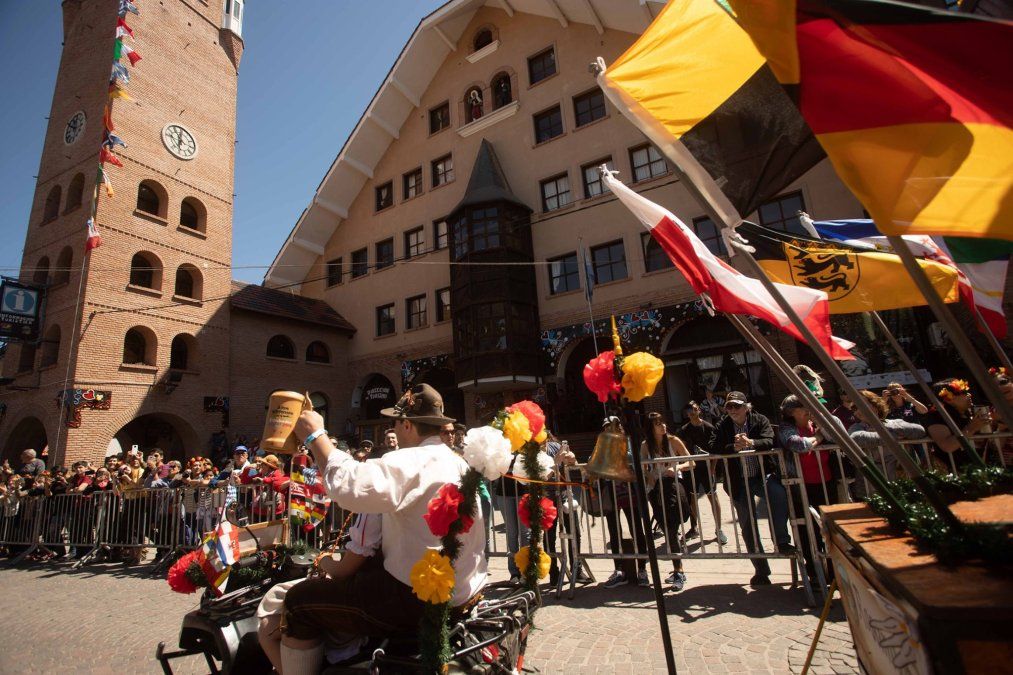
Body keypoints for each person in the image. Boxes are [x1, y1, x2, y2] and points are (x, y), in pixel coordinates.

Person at [279, 384, 486, 674]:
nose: (395, 431)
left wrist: (316, 435)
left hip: (412, 597)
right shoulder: (457, 462)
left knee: (298, 602)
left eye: (395, 423)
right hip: (461, 590)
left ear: (406, 424)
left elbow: (350, 487)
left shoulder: (409, 459)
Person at [258, 513, 383, 671]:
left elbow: (343, 570)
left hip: (376, 602)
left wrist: (322, 559)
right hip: (389, 596)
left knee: (294, 604)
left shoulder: (376, 502)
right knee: (269, 626)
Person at [710, 391, 792, 587]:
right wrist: (734, 448)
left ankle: (781, 541)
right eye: (729, 406)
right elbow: (713, 445)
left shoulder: (759, 419)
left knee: (778, 497)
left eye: (737, 406)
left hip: (762, 476)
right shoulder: (723, 424)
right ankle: (761, 570)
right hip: (739, 482)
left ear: (747, 407)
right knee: (748, 525)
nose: (732, 410)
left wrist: (751, 443)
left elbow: (770, 439)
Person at [777, 395, 842, 587]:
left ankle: (834, 571)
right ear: (791, 412)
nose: (808, 409)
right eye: (803, 407)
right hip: (801, 487)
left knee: (830, 529)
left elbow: (838, 434)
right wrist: (819, 437)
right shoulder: (786, 428)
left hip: (826, 483)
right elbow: (799, 446)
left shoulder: (817, 423)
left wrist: (821, 421)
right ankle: (815, 573)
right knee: (808, 530)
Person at [642, 412, 692, 591]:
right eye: (657, 424)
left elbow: (690, 462)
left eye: (663, 422)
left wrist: (676, 467)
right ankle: (677, 568)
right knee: (665, 526)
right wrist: (650, 476)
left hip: (673, 485)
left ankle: (679, 570)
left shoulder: (673, 440)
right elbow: (643, 466)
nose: (662, 426)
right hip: (656, 489)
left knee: (672, 528)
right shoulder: (646, 445)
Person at [600, 417, 650, 589]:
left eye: (613, 426)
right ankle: (619, 570)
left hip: (629, 491)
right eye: (607, 427)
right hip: (611, 492)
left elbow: (630, 457)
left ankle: (642, 570)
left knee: (637, 529)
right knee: (614, 532)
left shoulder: (627, 441)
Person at [847, 390, 925, 498]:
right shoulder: (856, 427)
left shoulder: (895, 423)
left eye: (862, 405)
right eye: (855, 408)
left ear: (875, 406)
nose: (858, 411)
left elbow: (919, 431)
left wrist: (885, 430)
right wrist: (893, 436)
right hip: (875, 484)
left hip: (903, 478)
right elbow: (856, 438)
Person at [677, 401, 727, 545]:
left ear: (699, 410)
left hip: (706, 468)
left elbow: (715, 450)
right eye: (689, 410)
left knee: (713, 496)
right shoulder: (683, 430)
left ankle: (719, 529)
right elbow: (680, 449)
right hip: (691, 468)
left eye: (694, 409)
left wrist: (712, 467)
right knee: (692, 498)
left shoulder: (709, 428)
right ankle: (694, 527)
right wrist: (683, 465)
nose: (692, 412)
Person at [923, 378, 989, 471]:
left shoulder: (969, 413)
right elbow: (947, 446)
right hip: (956, 473)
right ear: (948, 399)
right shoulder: (936, 417)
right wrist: (972, 428)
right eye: (963, 392)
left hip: (979, 469)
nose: (969, 395)